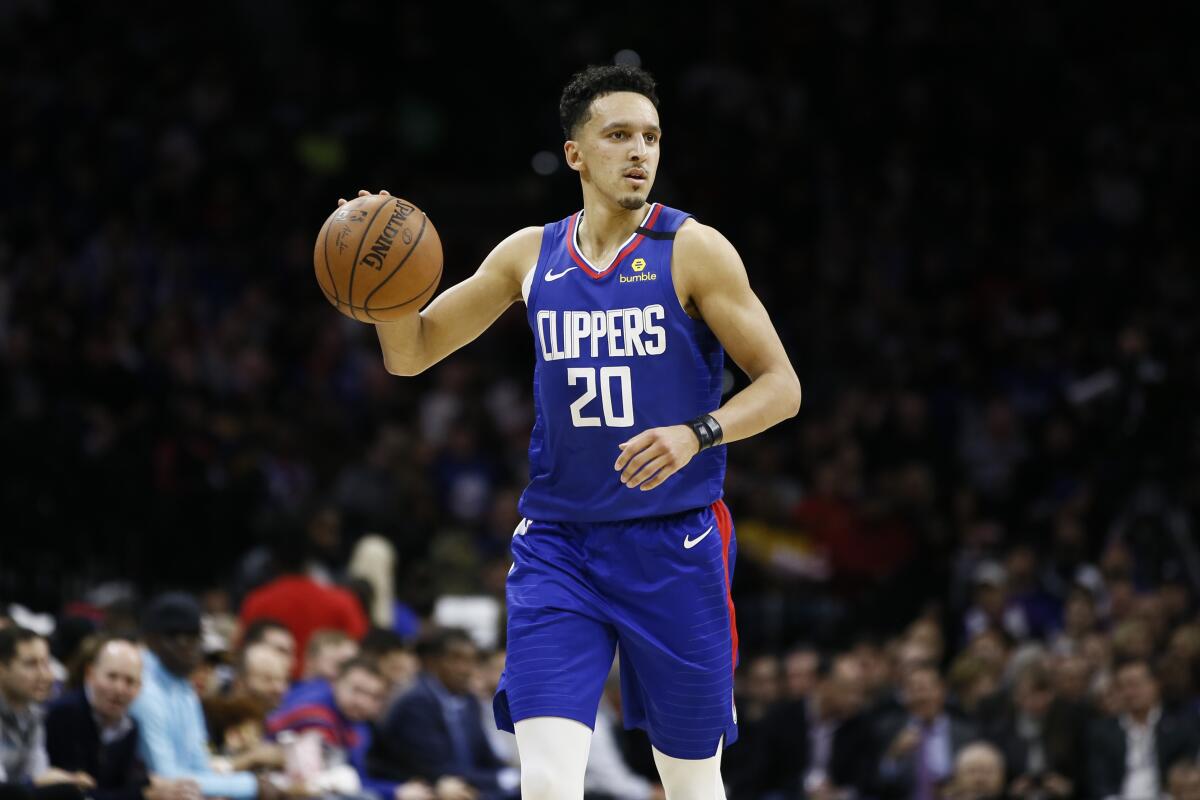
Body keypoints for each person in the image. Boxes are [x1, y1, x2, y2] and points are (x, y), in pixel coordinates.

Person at [347, 63, 801, 799]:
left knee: (691, 782)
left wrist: (699, 432)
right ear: (575, 154)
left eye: (651, 137)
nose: (639, 152)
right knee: (548, 781)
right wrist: (389, 282)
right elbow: (411, 353)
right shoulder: (531, 253)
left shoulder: (694, 249)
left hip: (674, 543)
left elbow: (783, 387)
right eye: (618, 134)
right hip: (560, 546)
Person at [128, 594, 281, 800]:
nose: (195, 651)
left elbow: (200, 765)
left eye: (198, 639)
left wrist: (237, 786)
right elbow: (167, 779)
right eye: (185, 640)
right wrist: (249, 786)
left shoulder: (183, 686)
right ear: (154, 640)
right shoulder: (142, 688)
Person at [44, 637, 200, 800]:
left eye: (129, 681)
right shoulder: (64, 715)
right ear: (90, 674)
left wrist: (151, 785)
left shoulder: (130, 726)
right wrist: (144, 794)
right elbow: (75, 794)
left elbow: (121, 784)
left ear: (139, 688)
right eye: (112, 677)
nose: (119, 689)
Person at [371, 629, 519, 800]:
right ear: (431, 662)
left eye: (472, 660)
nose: (466, 669)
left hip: (468, 785)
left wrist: (509, 775)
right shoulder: (415, 701)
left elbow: (485, 756)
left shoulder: (469, 700)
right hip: (425, 788)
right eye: (457, 659)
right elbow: (435, 768)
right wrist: (501, 779)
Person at [265, 658, 433, 800]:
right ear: (335, 682)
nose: (363, 702)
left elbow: (355, 777)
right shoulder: (316, 717)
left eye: (374, 696)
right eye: (357, 690)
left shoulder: (357, 723)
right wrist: (395, 791)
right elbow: (330, 784)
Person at [1086, 659, 1200, 800]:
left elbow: (1185, 769)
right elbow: (1099, 780)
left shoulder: (1181, 726)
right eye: (1122, 687)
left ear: (1155, 684)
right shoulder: (1102, 731)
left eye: (1135, 685)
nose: (1129, 692)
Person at [0, 627, 92, 793]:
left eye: (45, 663)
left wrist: (67, 781)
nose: (45, 675)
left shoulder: (34, 714)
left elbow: (38, 773)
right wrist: (40, 783)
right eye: (31, 664)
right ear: (2, 669)